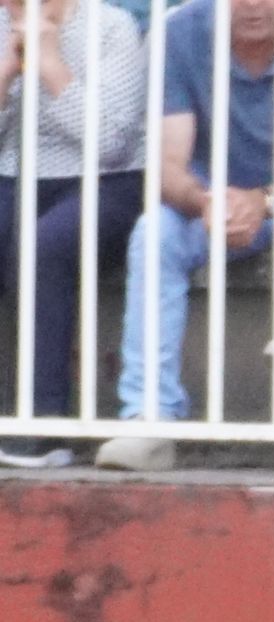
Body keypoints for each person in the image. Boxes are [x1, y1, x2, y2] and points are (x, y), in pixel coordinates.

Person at [95, 0, 274, 474]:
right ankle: (148, 416)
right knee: (153, 230)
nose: (253, 4)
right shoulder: (179, 31)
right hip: (214, 196)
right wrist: (207, 203)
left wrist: (261, 202)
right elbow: (167, 166)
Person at [0, 0, 147, 468]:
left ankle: (45, 429)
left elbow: (110, 143)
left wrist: (49, 65)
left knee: (45, 245)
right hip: (14, 173)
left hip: (107, 180)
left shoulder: (111, 26)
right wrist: (5, 74)